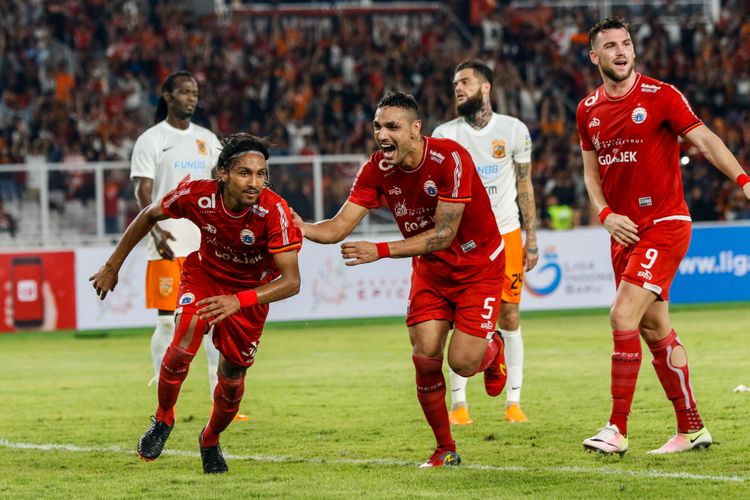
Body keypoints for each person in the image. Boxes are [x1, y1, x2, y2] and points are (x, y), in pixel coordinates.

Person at [292, 91, 507, 467]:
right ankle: (445, 448)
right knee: (425, 355)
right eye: (378, 126)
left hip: (478, 268)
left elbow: (444, 235)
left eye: (392, 126)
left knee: (462, 363)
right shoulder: (376, 169)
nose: (382, 134)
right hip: (431, 271)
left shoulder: (450, 159)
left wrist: (381, 250)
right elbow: (338, 227)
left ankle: (493, 352)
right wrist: (301, 227)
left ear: (415, 129)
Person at [576, 16, 750, 455]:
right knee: (656, 331)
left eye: (626, 43)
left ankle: (616, 429)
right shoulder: (587, 109)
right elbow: (590, 175)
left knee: (621, 316)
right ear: (594, 56)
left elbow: (707, 141)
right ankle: (692, 428)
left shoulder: (661, 95)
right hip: (622, 233)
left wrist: (744, 181)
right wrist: (605, 214)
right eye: (610, 46)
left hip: (666, 225)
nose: (621, 51)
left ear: (633, 49)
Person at [90, 133, 302, 473]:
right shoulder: (198, 194)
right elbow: (148, 214)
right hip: (204, 277)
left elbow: (291, 282)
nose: (254, 182)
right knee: (185, 334)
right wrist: (112, 265)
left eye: (261, 174)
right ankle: (163, 420)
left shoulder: (274, 211)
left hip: (248, 295)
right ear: (223, 174)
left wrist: (238, 300)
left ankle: (210, 438)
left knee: (231, 381)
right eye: (245, 173)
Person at [130, 71, 247, 420]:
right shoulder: (152, 139)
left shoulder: (208, 140)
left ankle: (219, 399)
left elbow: (223, 185)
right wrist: (155, 231)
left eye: (195, 92)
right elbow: (142, 191)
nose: (191, 98)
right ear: (167, 96)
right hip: (166, 243)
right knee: (168, 323)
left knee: (215, 322)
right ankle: (166, 402)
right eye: (184, 92)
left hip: (206, 246)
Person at [433, 60, 538, 425]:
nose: (458, 88)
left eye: (465, 81)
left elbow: (524, 185)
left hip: (507, 236)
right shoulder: (444, 135)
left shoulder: (513, 130)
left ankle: (514, 402)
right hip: (463, 241)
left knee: (509, 317)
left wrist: (532, 239)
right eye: (454, 83)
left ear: (486, 87)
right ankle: (459, 405)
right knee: (460, 321)